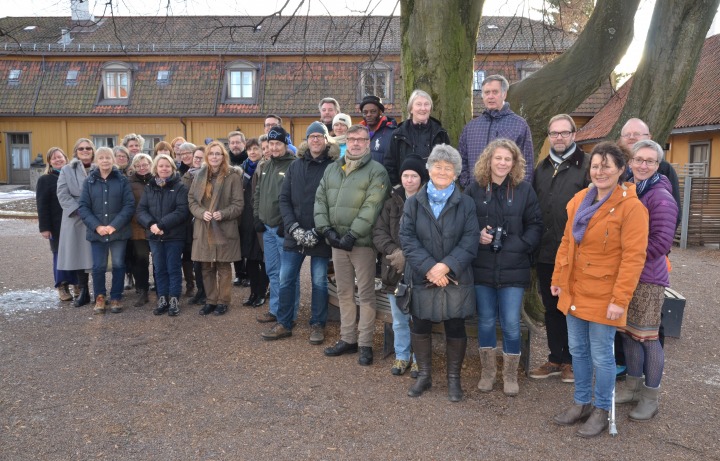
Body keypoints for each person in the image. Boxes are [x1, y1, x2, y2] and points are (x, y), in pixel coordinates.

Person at [551, 141, 649, 438]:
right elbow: (567, 242)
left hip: (606, 295)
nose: (600, 171)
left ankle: (602, 410)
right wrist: (557, 277)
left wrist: (620, 300)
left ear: (621, 170)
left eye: (607, 166)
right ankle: (581, 403)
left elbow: (633, 258)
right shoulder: (580, 199)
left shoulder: (632, 208)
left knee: (602, 355)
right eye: (595, 165)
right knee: (578, 350)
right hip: (575, 288)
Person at [399, 144, 479, 401]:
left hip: (455, 277)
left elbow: (470, 239)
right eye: (438, 166)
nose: (442, 171)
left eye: (448, 167)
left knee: (455, 326)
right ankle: (424, 375)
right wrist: (430, 268)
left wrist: (445, 266)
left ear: (456, 173)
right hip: (423, 276)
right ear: (429, 169)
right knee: (420, 324)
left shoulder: (466, 203)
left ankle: (454, 380)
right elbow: (407, 238)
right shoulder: (413, 203)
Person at [465, 139, 542, 396]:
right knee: (486, 321)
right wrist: (477, 235)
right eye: (498, 158)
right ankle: (488, 372)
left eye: (507, 159)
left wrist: (519, 245)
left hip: (514, 267)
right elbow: (461, 223)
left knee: (510, 322)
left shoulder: (524, 190)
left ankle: (510, 374)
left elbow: (536, 225)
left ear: (515, 163)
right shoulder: (474, 189)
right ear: (488, 159)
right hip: (482, 267)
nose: (502, 163)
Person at [315, 124, 390, 366]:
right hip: (336, 242)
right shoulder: (332, 169)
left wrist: (352, 235)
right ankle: (348, 339)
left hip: (362, 244)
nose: (356, 143)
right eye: (352, 139)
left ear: (368, 143)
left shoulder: (377, 171)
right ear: (347, 141)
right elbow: (320, 200)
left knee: (366, 295)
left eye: (361, 139)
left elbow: (372, 205)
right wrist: (326, 229)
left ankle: (365, 343)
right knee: (344, 292)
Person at [615, 140, 678, 421]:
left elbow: (661, 242)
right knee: (628, 334)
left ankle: (650, 396)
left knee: (648, 338)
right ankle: (632, 386)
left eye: (649, 161)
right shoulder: (628, 188)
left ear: (657, 165)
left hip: (648, 279)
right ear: (629, 162)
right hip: (627, 275)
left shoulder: (660, 196)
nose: (643, 165)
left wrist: (628, 258)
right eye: (638, 159)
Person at [261, 122, 338, 344]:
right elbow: (284, 199)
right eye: (311, 136)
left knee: (319, 281)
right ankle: (284, 323)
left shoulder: (333, 167)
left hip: (319, 233)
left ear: (326, 140)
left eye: (319, 136)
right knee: (286, 279)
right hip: (294, 233)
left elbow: (334, 202)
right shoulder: (296, 166)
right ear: (306, 140)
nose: (315, 140)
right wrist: (293, 227)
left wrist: (318, 229)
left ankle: (317, 324)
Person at [530, 114, 591, 383]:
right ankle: (555, 357)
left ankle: (573, 361)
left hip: (576, 252)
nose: (559, 138)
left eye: (564, 133)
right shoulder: (541, 169)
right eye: (554, 133)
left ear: (574, 135)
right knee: (551, 306)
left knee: (574, 307)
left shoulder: (587, 166)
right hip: (546, 252)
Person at [373, 157, 426, 377]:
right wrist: (395, 252)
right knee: (399, 319)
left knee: (418, 319)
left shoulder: (428, 202)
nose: (409, 180)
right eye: (406, 175)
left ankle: (418, 359)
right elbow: (379, 232)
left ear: (421, 179)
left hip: (420, 271)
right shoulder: (391, 201)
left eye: (414, 176)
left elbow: (432, 236)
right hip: (393, 270)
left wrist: (411, 255)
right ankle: (402, 356)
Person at [188, 141, 244, 316]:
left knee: (223, 266)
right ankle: (211, 300)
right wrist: (201, 212)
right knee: (206, 266)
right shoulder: (199, 176)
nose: (214, 157)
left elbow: (238, 204)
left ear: (223, 156)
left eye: (218, 154)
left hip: (224, 227)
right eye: (211, 153)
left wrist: (223, 214)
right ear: (207, 156)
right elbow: (192, 201)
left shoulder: (233, 176)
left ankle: (223, 301)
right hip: (203, 227)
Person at [78, 147, 136, 314]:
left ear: (113, 160)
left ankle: (116, 296)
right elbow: (83, 207)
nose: (105, 161)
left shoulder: (122, 180)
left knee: (118, 264)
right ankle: (100, 297)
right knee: (98, 266)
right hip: (97, 232)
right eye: (101, 158)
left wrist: (113, 226)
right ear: (96, 161)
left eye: (108, 158)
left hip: (118, 231)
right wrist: (97, 226)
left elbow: (129, 205)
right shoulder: (89, 182)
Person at [253, 126, 299, 323]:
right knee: (272, 271)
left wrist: (286, 223)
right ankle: (275, 309)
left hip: (284, 230)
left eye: (277, 144)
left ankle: (289, 313)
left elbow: (297, 199)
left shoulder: (294, 166)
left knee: (287, 274)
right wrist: (257, 216)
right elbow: (258, 194)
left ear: (285, 144)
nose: (273, 147)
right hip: (267, 229)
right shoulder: (266, 165)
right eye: (270, 144)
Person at [137, 154, 190, 316]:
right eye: (161, 166)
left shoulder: (180, 186)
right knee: (159, 268)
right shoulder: (150, 187)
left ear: (173, 168)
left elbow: (182, 211)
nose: (164, 169)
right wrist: (151, 225)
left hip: (174, 235)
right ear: (156, 168)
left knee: (173, 267)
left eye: (167, 166)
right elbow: (141, 210)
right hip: (154, 236)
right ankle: (162, 298)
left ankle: (174, 298)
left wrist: (162, 225)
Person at [458, 74, 534, 187]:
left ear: (504, 94)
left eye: (495, 92)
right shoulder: (471, 127)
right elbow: (461, 160)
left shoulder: (519, 125)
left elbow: (527, 164)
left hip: (508, 195)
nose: (490, 96)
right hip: (476, 196)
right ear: (482, 95)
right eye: (487, 93)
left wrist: (518, 193)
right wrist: (469, 186)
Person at [56, 138, 96, 307]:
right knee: (79, 254)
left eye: (88, 148)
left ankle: (100, 291)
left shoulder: (100, 167)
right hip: (75, 217)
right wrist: (79, 210)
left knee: (97, 255)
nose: (85, 151)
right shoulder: (67, 169)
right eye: (81, 149)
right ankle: (83, 291)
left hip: (97, 216)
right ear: (76, 152)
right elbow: (62, 194)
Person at [36, 147, 77, 301]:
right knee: (59, 256)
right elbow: (42, 205)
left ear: (65, 158)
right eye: (54, 158)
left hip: (74, 222)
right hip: (56, 225)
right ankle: (62, 285)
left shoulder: (72, 176)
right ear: (49, 162)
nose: (58, 160)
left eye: (60, 157)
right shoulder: (45, 179)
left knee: (75, 253)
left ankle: (77, 283)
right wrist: (44, 228)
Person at [384, 89, 450, 185]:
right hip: (407, 189)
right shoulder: (398, 135)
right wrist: (397, 187)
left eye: (426, 104)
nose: (423, 108)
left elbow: (448, 164)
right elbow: (390, 164)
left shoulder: (440, 134)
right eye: (418, 104)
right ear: (411, 109)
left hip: (434, 189)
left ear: (430, 109)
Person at [619, 118, 680, 220]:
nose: (631, 137)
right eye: (627, 135)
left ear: (649, 137)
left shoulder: (664, 168)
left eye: (637, 134)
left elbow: (673, 214)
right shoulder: (614, 166)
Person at [237, 138, 268, 308]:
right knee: (249, 258)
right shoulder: (242, 170)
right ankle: (253, 292)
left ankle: (262, 292)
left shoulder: (264, 167)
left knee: (262, 258)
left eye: (256, 149)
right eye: (250, 149)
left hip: (260, 216)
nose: (253, 152)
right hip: (245, 218)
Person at [127, 153, 154, 308]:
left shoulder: (157, 180)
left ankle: (161, 288)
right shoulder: (129, 182)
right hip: (137, 227)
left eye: (145, 164)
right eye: (138, 165)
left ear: (150, 164)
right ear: (134, 167)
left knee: (158, 259)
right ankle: (142, 289)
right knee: (141, 259)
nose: (142, 168)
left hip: (156, 226)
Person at [182, 146, 207, 306]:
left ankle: (206, 291)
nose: (197, 159)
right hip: (187, 222)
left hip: (202, 220)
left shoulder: (208, 175)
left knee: (203, 260)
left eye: (200, 157)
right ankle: (199, 289)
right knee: (193, 258)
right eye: (196, 157)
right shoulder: (186, 176)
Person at [228, 130, 249, 285]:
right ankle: (239, 273)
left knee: (247, 241)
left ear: (244, 143)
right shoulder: (225, 160)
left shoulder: (249, 160)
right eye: (232, 143)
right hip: (230, 207)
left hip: (247, 206)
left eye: (238, 142)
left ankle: (249, 273)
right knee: (235, 241)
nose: (235, 145)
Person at [359, 95, 397, 164]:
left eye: (373, 111)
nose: (368, 115)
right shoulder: (358, 133)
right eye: (365, 112)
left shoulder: (392, 133)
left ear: (380, 112)